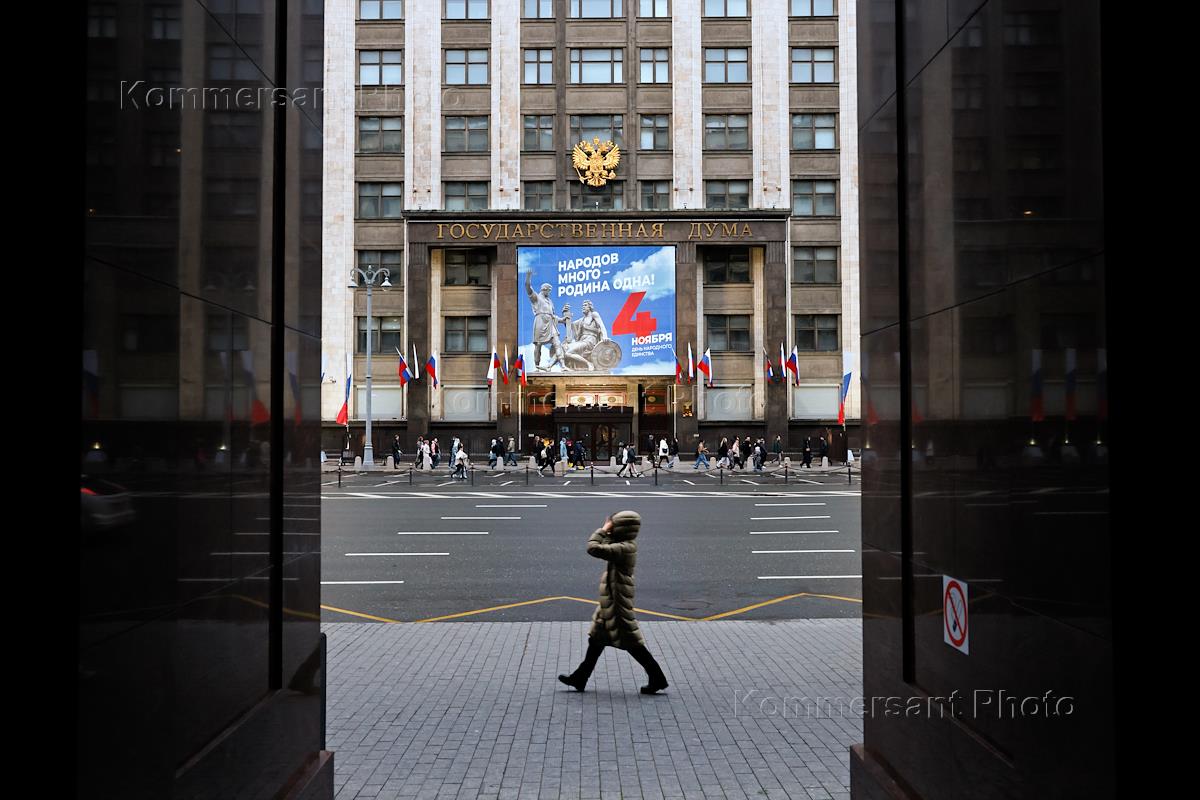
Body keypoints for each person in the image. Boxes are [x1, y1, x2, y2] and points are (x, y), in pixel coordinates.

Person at [557, 511, 669, 695]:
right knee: (596, 639)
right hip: (610, 600)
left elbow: (594, 548)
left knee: (632, 643)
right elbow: (607, 545)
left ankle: (657, 678)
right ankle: (580, 677)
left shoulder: (624, 548)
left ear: (621, 528)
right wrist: (609, 532)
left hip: (617, 602)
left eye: (613, 525)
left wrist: (603, 529)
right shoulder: (624, 545)